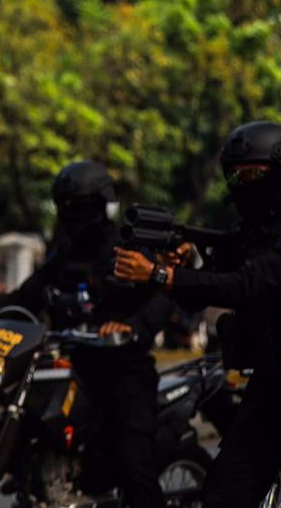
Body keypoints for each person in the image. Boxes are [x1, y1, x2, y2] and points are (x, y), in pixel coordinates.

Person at [0, 161, 174, 508]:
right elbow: (26, 294)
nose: (71, 213)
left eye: (79, 205)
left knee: (133, 464)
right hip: (73, 367)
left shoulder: (129, 248)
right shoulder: (65, 252)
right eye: (66, 205)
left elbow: (163, 297)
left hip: (123, 369)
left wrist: (133, 327)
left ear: (100, 203)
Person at [115, 122, 281, 508]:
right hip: (270, 388)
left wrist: (162, 274)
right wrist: (182, 266)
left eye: (253, 174)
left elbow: (245, 285)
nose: (243, 183)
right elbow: (200, 292)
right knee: (223, 495)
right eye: (234, 175)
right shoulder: (250, 234)